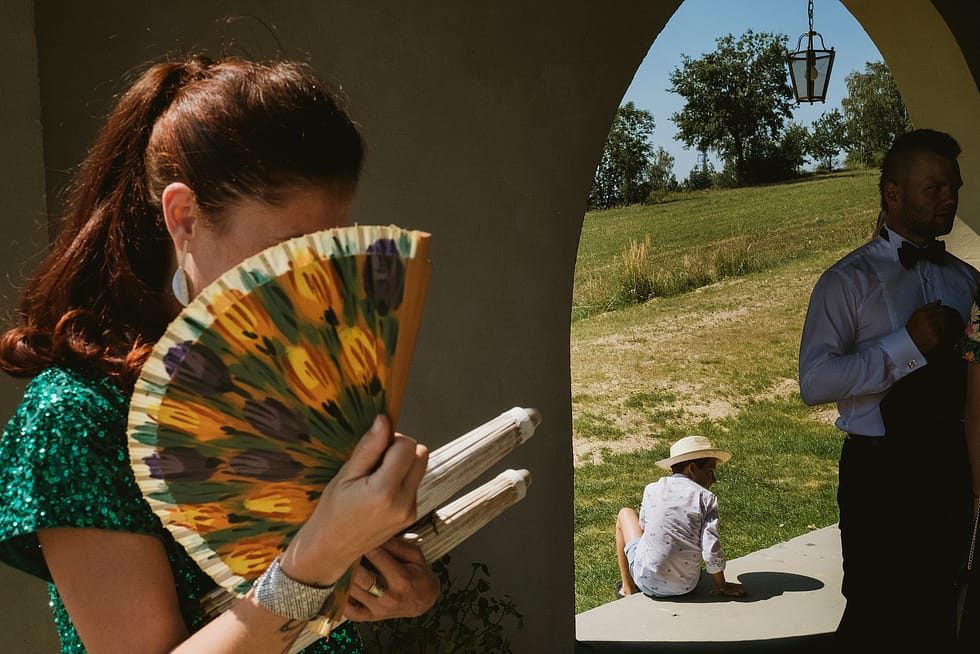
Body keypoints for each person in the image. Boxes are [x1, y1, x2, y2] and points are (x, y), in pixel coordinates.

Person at [0, 55, 440, 654]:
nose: (309, 286)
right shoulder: (75, 416)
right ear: (183, 218)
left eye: (326, 253)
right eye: (284, 251)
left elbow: (321, 602)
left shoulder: (290, 374)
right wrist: (317, 560)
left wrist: (397, 585)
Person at [799, 128, 980, 650]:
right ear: (893, 193)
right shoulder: (846, 282)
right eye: (935, 188)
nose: (949, 198)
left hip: (949, 466)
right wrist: (905, 345)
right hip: (880, 474)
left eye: (954, 187)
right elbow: (814, 382)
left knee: (942, 603)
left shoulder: (966, 280)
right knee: (878, 613)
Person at [614, 435, 746, 600]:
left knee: (625, 514)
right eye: (710, 471)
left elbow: (643, 528)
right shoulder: (706, 498)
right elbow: (711, 548)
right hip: (686, 585)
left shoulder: (652, 489)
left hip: (646, 581)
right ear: (691, 468)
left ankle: (627, 590)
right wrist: (722, 586)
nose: (714, 479)